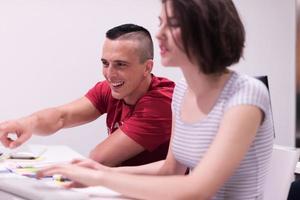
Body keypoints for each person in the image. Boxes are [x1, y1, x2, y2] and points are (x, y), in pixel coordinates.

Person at [37, 0, 274, 199]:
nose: (159, 34)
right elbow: (170, 170)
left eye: (172, 25)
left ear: (205, 29)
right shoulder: (183, 91)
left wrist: (101, 177)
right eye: (161, 23)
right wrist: (97, 172)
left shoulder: (247, 94)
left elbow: (198, 188)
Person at [0, 24, 175, 167]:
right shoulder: (112, 88)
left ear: (147, 67)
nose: (110, 74)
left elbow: (100, 159)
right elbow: (62, 116)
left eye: (120, 64)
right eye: (105, 63)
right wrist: (25, 123)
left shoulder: (161, 103)